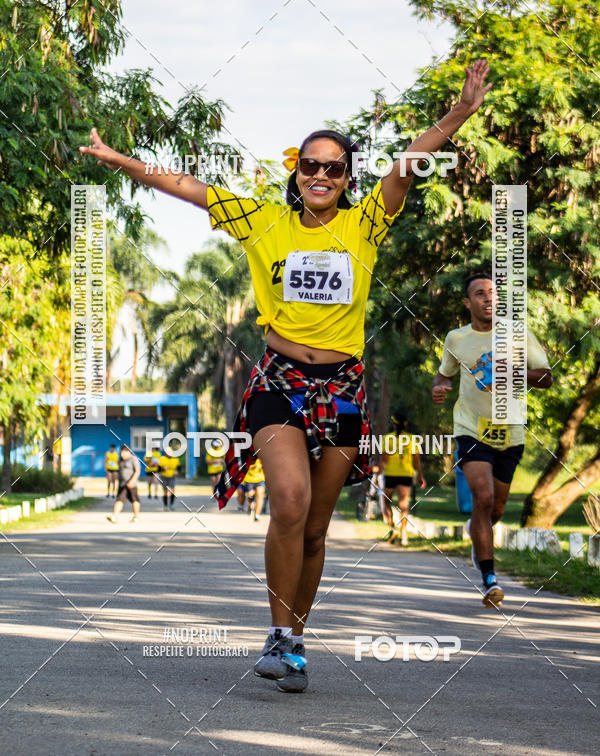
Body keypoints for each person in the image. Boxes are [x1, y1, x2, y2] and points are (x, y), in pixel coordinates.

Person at [80, 59, 491, 692]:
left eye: (333, 167)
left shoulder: (367, 223)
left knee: (319, 528)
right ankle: (277, 634)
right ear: (295, 173)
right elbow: (184, 186)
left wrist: (459, 115)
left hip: (344, 388)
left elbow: (407, 160)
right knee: (291, 503)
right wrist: (119, 160)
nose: (320, 175)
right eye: (309, 165)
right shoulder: (260, 221)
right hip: (280, 381)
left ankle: (296, 641)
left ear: (346, 178)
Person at [432, 272, 553, 607]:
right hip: (471, 427)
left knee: (496, 508)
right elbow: (445, 372)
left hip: (510, 431)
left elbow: (546, 378)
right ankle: (489, 579)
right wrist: (439, 386)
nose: (488, 298)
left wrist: (516, 371)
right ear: (468, 302)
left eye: (492, 292)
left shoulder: (518, 334)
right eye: (479, 293)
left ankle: (477, 535)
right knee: (483, 499)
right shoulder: (457, 338)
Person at [381, 412, 426, 545]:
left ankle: (392, 527)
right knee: (404, 506)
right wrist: (421, 476)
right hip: (406, 474)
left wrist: (377, 472)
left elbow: (384, 460)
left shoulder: (387, 438)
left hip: (391, 474)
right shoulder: (412, 439)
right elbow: (417, 461)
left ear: (394, 424)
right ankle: (404, 535)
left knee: (386, 502)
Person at [107, 445, 141, 523]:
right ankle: (114, 516)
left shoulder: (133, 459)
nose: (122, 454)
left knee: (134, 499)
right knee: (120, 499)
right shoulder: (120, 460)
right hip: (122, 484)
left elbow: (137, 471)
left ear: (128, 452)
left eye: (124, 453)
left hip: (132, 484)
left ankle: (136, 516)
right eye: (121, 452)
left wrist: (132, 481)